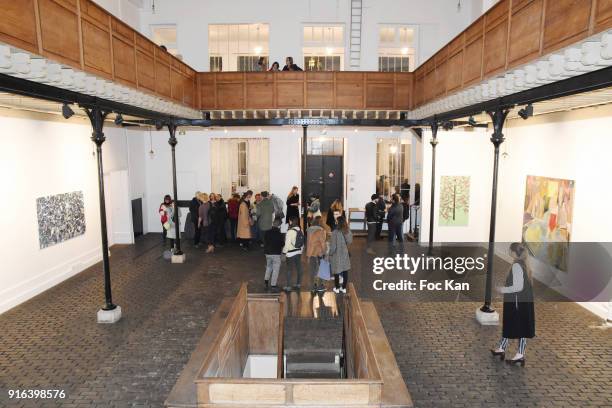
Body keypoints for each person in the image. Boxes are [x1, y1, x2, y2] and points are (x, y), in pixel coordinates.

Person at [491, 243, 535, 366]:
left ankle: (520, 355)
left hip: (517, 303)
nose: (509, 252)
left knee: (520, 327)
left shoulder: (516, 266)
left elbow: (517, 287)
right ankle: (502, 348)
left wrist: (502, 289)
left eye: (510, 250)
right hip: (522, 302)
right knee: (513, 325)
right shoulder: (524, 265)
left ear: (514, 252)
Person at [329, 216, 352, 294]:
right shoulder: (348, 231)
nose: (335, 222)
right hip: (345, 253)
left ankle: (337, 287)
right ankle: (344, 288)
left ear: (338, 222)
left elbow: (333, 246)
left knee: (336, 271)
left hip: (337, 254)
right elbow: (350, 241)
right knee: (345, 270)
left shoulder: (335, 232)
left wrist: (330, 253)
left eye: (336, 221)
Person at [282, 216, 304, 291]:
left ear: (291, 222)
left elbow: (287, 244)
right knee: (298, 268)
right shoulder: (300, 230)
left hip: (290, 254)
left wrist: (284, 252)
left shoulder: (290, 231)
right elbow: (302, 242)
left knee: (289, 270)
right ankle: (298, 284)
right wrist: (301, 251)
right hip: (298, 252)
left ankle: (288, 286)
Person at [306, 216, 327, 293]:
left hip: (311, 253)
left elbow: (309, 243)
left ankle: (313, 286)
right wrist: (325, 252)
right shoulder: (320, 231)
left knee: (312, 270)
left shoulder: (309, 230)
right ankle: (320, 286)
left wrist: (308, 255)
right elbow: (322, 243)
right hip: (319, 253)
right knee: (321, 270)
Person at [264, 218, 283, 292]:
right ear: (279, 225)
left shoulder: (267, 232)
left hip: (267, 253)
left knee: (269, 267)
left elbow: (265, 241)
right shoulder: (279, 233)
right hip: (276, 254)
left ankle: (266, 281)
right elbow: (282, 244)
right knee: (276, 269)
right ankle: (273, 285)